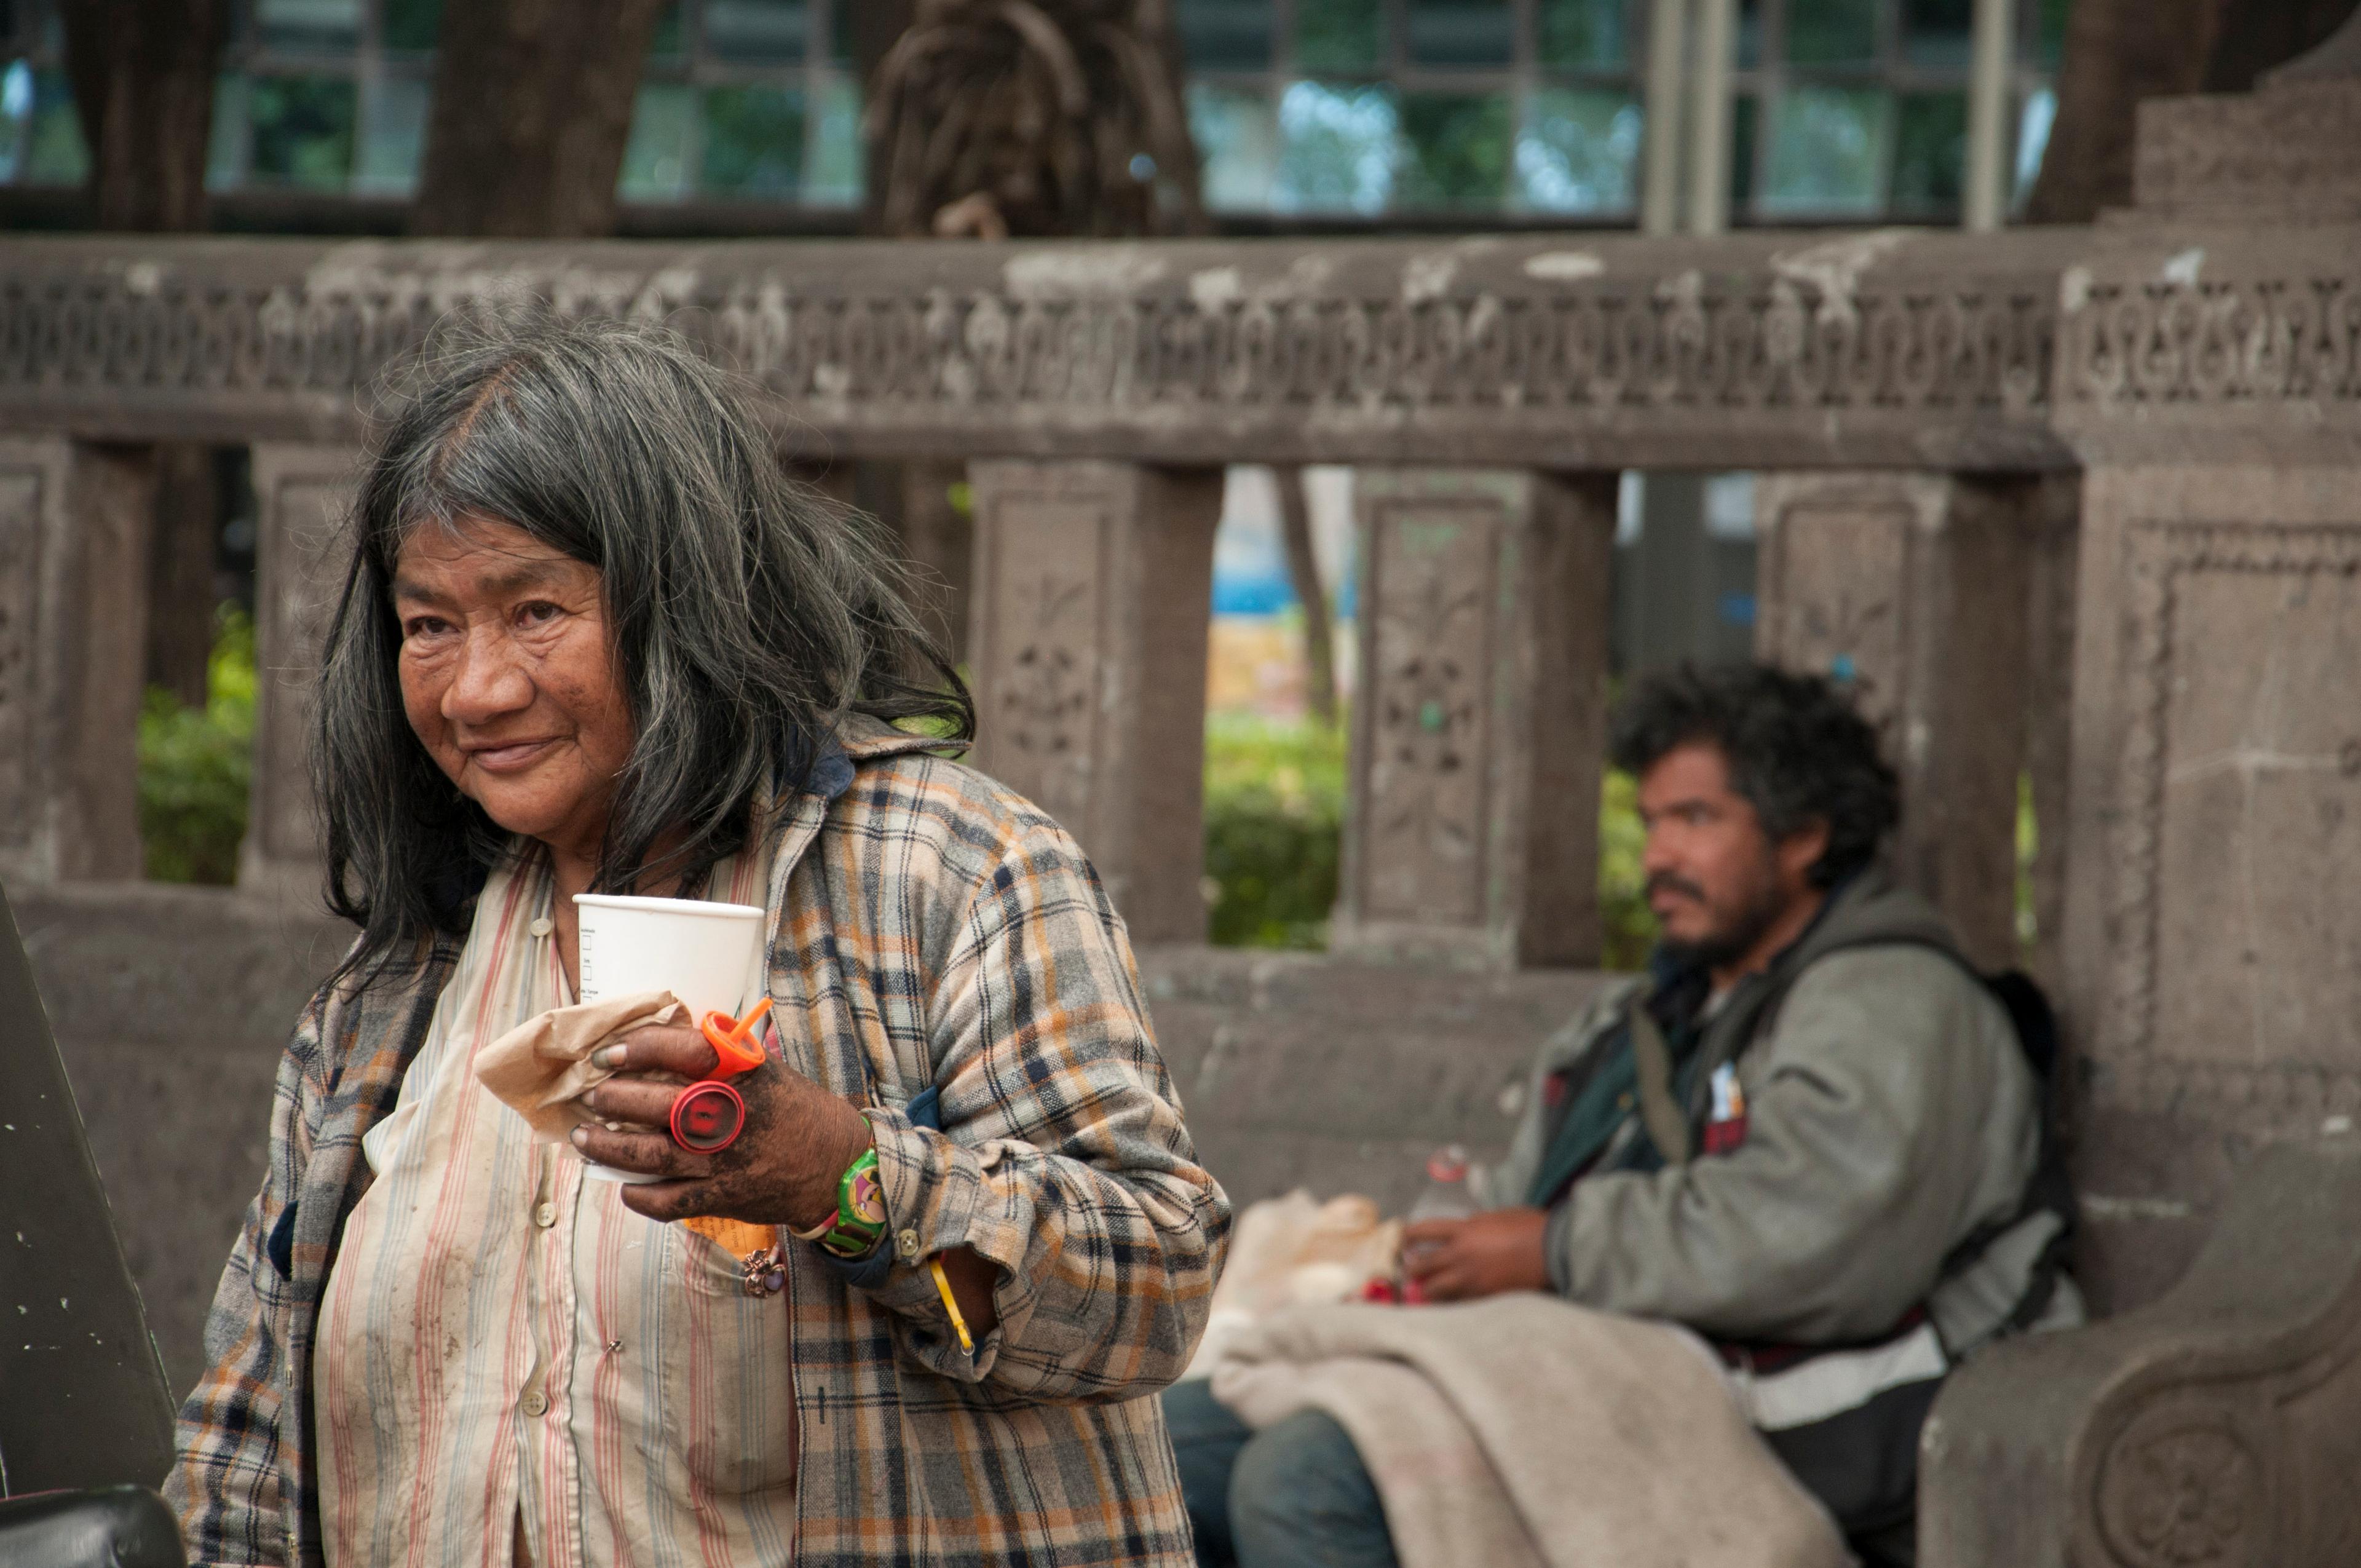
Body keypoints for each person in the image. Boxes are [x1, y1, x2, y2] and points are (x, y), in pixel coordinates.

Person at [165, 319, 1229, 1568]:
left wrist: (842, 1176)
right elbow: (246, 1439)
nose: (475, 690)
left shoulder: (953, 872)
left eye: (537, 610)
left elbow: (1153, 1288)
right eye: (430, 625)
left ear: (691, 604)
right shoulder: (400, 984)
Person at [1167, 662, 2079, 1568]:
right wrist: (1452, 1251)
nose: (1656, 857)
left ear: (1804, 835)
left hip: (1817, 1398)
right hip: (1604, 1357)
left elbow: (1818, 1241)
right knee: (1158, 1445)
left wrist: (1555, 1249)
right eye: (1650, 824)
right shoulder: (1641, 1017)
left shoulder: (1891, 997)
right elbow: (1522, 1199)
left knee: (1309, 1476)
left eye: (1696, 819)